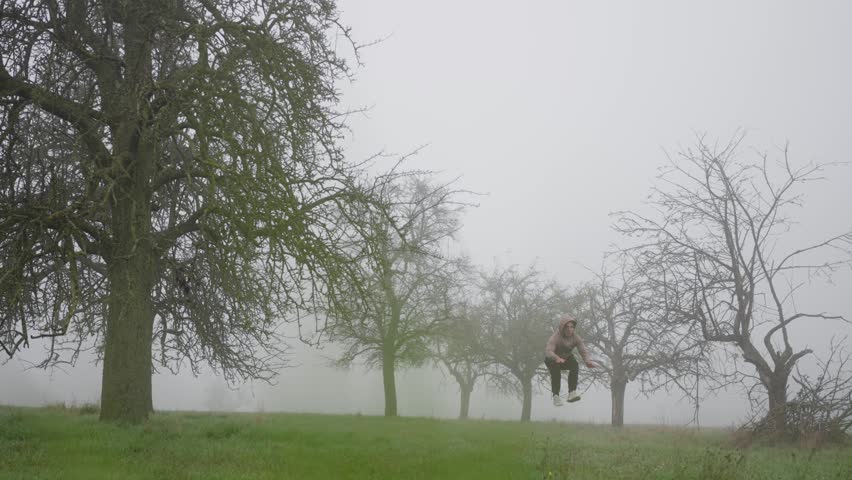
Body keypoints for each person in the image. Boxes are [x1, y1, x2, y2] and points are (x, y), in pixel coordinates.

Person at [544, 313, 598, 406]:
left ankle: (572, 393)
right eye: (567, 327)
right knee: (556, 369)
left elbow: (583, 349)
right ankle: (556, 396)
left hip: (565, 358)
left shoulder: (575, 337)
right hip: (552, 359)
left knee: (574, 364)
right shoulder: (555, 337)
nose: (569, 329)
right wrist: (556, 358)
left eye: (571, 327)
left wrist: (587, 361)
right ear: (562, 328)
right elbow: (548, 351)